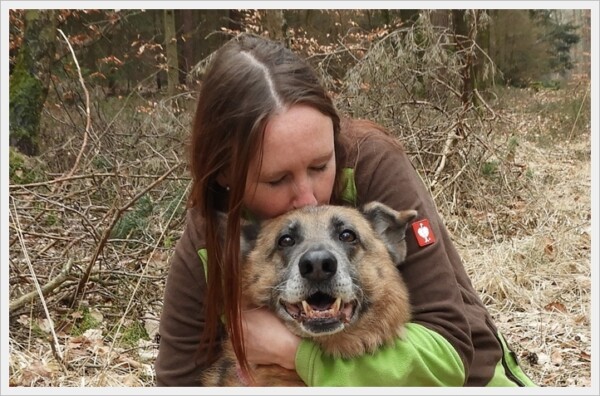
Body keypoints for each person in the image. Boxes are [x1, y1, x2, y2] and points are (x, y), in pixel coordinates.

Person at [154, 33, 536, 387]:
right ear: (225, 175)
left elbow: (451, 348)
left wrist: (299, 355)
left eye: (321, 166)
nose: (308, 199)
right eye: (276, 179)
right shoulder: (213, 231)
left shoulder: (374, 163)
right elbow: (177, 379)